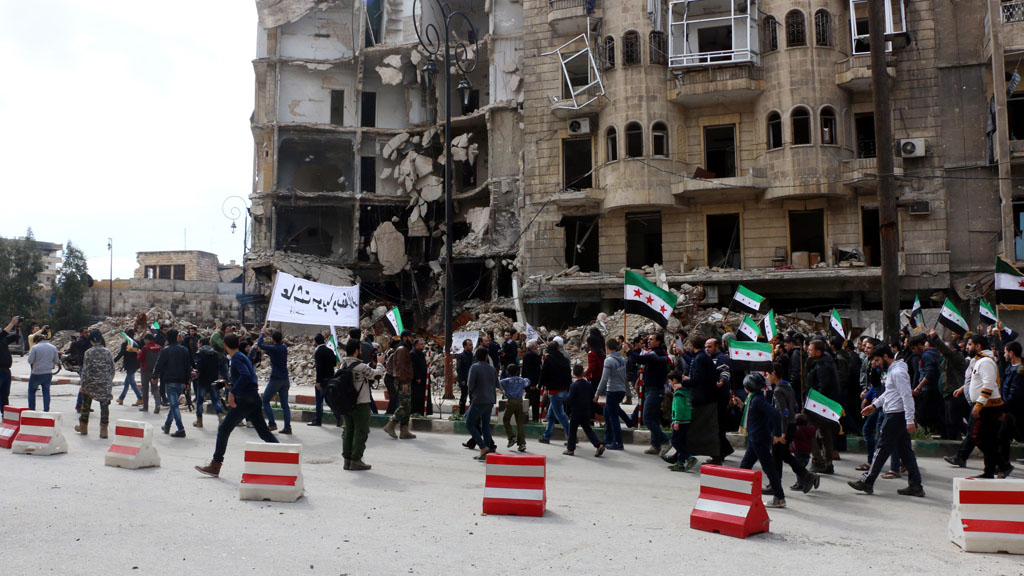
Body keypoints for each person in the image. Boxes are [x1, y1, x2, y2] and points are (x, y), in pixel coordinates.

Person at [196, 334, 280, 477]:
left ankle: (215, 465)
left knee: (223, 429)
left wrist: (232, 392)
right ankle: (284, 456)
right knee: (263, 432)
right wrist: (229, 384)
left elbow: (246, 376)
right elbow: (247, 377)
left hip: (245, 400)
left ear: (225, 346)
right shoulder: (242, 357)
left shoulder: (236, 358)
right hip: (253, 398)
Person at [848, 345, 925, 497]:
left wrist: (910, 420)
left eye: (877, 360)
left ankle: (867, 481)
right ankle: (916, 485)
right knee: (906, 452)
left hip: (895, 416)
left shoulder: (898, 372)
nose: (876, 363)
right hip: (895, 414)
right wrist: (874, 406)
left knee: (881, 448)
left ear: (885, 356)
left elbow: (906, 396)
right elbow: (889, 394)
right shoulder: (892, 371)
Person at [958, 333, 1008, 478]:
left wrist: (979, 405)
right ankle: (989, 471)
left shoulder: (985, 362)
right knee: (988, 438)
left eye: (970, 344)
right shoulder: (978, 361)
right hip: (984, 406)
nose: (967, 347)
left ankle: (1004, 465)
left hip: (987, 407)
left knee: (976, 437)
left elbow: (989, 384)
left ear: (978, 346)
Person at [736, 373, 787, 508]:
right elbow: (753, 415)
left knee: (769, 468)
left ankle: (780, 498)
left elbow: (775, 414)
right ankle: (739, 493)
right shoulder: (753, 398)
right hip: (754, 438)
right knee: (745, 466)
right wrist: (741, 405)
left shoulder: (757, 400)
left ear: (748, 387)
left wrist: (777, 434)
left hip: (759, 439)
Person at [768, 362, 819, 492]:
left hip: (782, 427)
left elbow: (783, 412)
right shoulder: (788, 386)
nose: (767, 377)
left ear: (774, 374)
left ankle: (775, 485)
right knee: (783, 455)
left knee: (777, 457)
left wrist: (781, 432)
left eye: (768, 374)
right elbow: (794, 407)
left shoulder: (778, 390)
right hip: (791, 424)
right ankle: (807, 475)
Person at [339, 339, 386, 471]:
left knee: (348, 431)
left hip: (346, 404)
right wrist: (380, 363)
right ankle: (356, 459)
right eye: (360, 349)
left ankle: (347, 460)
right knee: (361, 431)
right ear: (356, 351)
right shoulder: (360, 366)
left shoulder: (343, 365)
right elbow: (377, 375)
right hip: (361, 404)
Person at [632, 332, 671, 457]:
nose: (649, 341)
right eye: (648, 339)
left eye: (651, 339)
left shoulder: (658, 353)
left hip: (655, 390)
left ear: (658, 341)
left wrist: (629, 351)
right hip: (650, 390)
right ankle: (656, 445)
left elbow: (639, 359)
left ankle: (665, 441)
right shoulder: (653, 353)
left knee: (647, 418)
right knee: (653, 418)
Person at [805, 339, 841, 475]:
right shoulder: (823, 362)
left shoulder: (823, 365)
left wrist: (814, 404)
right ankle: (827, 462)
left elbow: (823, 387)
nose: (808, 351)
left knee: (809, 430)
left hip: (818, 404)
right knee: (824, 432)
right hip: (820, 404)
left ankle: (818, 461)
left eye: (811, 349)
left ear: (818, 352)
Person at [152, 329, 191, 438]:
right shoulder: (184, 350)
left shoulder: (165, 350)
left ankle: (180, 429)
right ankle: (167, 425)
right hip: (181, 381)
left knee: (174, 406)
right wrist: (187, 381)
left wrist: (154, 376)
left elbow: (159, 364)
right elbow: (188, 367)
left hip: (169, 381)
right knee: (174, 406)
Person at [76, 330, 115, 438]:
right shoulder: (107, 352)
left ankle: (83, 427)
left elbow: (86, 370)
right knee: (104, 406)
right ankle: (104, 430)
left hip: (91, 383)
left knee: (86, 405)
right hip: (105, 384)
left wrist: (83, 385)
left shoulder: (88, 352)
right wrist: (108, 381)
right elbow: (112, 368)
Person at [564, 364, 605, 457]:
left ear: (573, 373)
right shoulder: (587, 384)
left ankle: (570, 449)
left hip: (576, 411)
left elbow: (570, 399)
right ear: (583, 372)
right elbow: (592, 397)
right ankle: (599, 445)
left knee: (572, 429)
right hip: (586, 411)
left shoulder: (574, 385)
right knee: (587, 429)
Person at [382, 330, 416, 440]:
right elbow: (400, 368)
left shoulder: (405, 349)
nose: (412, 339)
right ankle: (391, 425)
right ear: (405, 338)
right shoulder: (402, 350)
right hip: (402, 381)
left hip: (405, 380)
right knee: (404, 405)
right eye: (411, 337)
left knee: (408, 406)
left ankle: (404, 431)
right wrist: (403, 382)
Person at [595, 339, 629, 450]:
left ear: (607, 347)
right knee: (607, 412)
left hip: (612, 390)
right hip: (621, 390)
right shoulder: (623, 359)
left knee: (613, 417)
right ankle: (608, 439)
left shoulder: (608, 361)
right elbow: (625, 376)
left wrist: (597, 393)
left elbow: (604, 379)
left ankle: (618, 442)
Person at [466, 346, 498, 461]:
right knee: (485, 426)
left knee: (469, 424)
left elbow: (470, 385)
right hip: (490, 400)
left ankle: (483, 447)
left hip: (478, 399)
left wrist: (473, 394)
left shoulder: (474, 367)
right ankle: (487, 449)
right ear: (486, 357)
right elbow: (496, 383)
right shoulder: (492, 368)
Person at [257, 328, 292, 434]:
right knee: (285, 404)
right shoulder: (284, 348)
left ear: (273, 340)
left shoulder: (274, 348)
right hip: (285, 379)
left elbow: (260, 344)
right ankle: (287, 427)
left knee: (265, 400)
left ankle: (272, 423)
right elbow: (271, 352)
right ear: (281, 339)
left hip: (276, 379)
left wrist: (262, 334)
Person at [538, 341, 571, 445]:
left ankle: (572, 437)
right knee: (551, 415)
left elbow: (544, 374)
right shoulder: (564, 360)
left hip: (554, 391)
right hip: (564, 390)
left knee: (561, 415)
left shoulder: (548, 360)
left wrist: (540, 385)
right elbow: (568, 375)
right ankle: (546, 436)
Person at [666, 371, 697, 472]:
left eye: (670, 381)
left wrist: (676, 420)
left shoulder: (678, 393)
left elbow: (678, 408)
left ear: (675, 381)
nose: (669, 384)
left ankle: (689, 458)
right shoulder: (686, 391)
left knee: (675, 441)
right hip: (686, 419)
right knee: (682, 441)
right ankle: (680, 463)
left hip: (681, 420)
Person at [26, 330, 60, 412]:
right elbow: (56, 360)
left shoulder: (35, 348)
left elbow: (30, 361)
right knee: (46, 392)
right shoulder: (53, 347)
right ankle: (46, 410)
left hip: (36, 373)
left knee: (31, 392)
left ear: (37, 340)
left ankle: (32, 410)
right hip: (48, 373)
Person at [309, 334, 339, 426]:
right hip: (331, 378)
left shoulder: (318, 351)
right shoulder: (330, 350)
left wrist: (318, 382)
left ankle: (318, 420)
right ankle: (338, 416)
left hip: (322, 380)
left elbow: (319, 368)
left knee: (319, 401)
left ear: (316, 341)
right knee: (329, 400)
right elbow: (334, 363)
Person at [194, 337, 224, 427]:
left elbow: (199, 367)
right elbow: (218, 365)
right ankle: (220, 417)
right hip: (213, 380)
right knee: (215, 400)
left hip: (203, 380)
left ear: (201, 343)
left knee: (199, 400)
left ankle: (199, 421)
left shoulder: (199, 352)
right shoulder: (214, 353)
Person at [499, 364, 529, 452]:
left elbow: (499, 383)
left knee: (506, 419)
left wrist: (503, 391)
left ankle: (511, 437)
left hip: (511, 401)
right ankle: (522, 443)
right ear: (517, 371)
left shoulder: (506, 381)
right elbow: (528, 382)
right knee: (520, 423)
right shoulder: (522, 380)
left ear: (508, 372)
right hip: (520, 401)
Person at [113, 329, 142, 406]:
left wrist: (113, 362)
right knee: (127, 382)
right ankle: (121, 398)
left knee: (132, 382)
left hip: (129, 365)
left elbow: (121, 354)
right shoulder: (137, 343)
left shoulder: (125, 344)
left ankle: (140, 397)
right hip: (136, 365)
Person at [137, 334, 163, 414]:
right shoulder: (159, 347)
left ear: (148, 339)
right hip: (155, 371)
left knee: (145, 388)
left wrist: (138, 353)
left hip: (145, 370)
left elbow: (140, 359)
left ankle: (145, 407)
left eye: (145, 340)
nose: (144, 341)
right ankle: (158, 404)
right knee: (155, 388)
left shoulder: (145, 348)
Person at [521, 339, 542, 422]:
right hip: (532, 383)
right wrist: (532, 384)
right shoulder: (531, 356)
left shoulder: (529, 355)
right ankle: (534, 418)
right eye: (536, 345)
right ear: (533, 346)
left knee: (531, 400)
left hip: (530, 382)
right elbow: (530, 371)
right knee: (533, 401)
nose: (538, 346)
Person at [410, 338, 429, 416]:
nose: (423, 346)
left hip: (423, 378)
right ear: (416, 345)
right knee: (417, 396)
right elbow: (414, 367)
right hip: (417, 380)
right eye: (421, 344)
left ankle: (422, 412)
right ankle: (416, 412)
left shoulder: (421, 353)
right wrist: (417, 377)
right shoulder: (413, 353)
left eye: (423, 344)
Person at [456, 338, 474, 417]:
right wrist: (461, 380)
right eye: (469, 345)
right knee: (463, 397)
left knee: (472, 398)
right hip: (464, 380)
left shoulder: (473, 356)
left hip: (472, 380)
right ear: (464, 346)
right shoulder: (461, 356)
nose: (471, 346)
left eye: (472, 345)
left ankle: (472, 414)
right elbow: (459, 369)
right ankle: (461, 413)